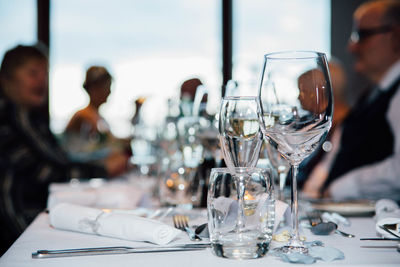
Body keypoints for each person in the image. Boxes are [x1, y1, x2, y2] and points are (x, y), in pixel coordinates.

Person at [0, 45, 129, 254]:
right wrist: (103, 170)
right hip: (17, 228)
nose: (42, 80)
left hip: (39, 215)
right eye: (33, 73)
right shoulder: (9, 120)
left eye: (45, 73)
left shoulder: (32, 119)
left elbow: (59, 161)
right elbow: (45, 173)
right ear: (6, 78)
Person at [322, 0, 400, 201]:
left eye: (361, 35)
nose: (352, 46)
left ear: (395, 37)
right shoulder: (374, 93)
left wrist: (341, 187)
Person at [301, 60, 350, 198]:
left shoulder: (347, 126)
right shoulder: (313, 123)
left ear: (320, 92)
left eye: (303, 91)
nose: (298, 97)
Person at [63, 66, 131, 160]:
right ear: (94, 88)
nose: (109, 91)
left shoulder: (97, 116)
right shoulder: (83, 114)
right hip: (79, 169)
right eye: (107, 86)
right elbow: (108, 139)